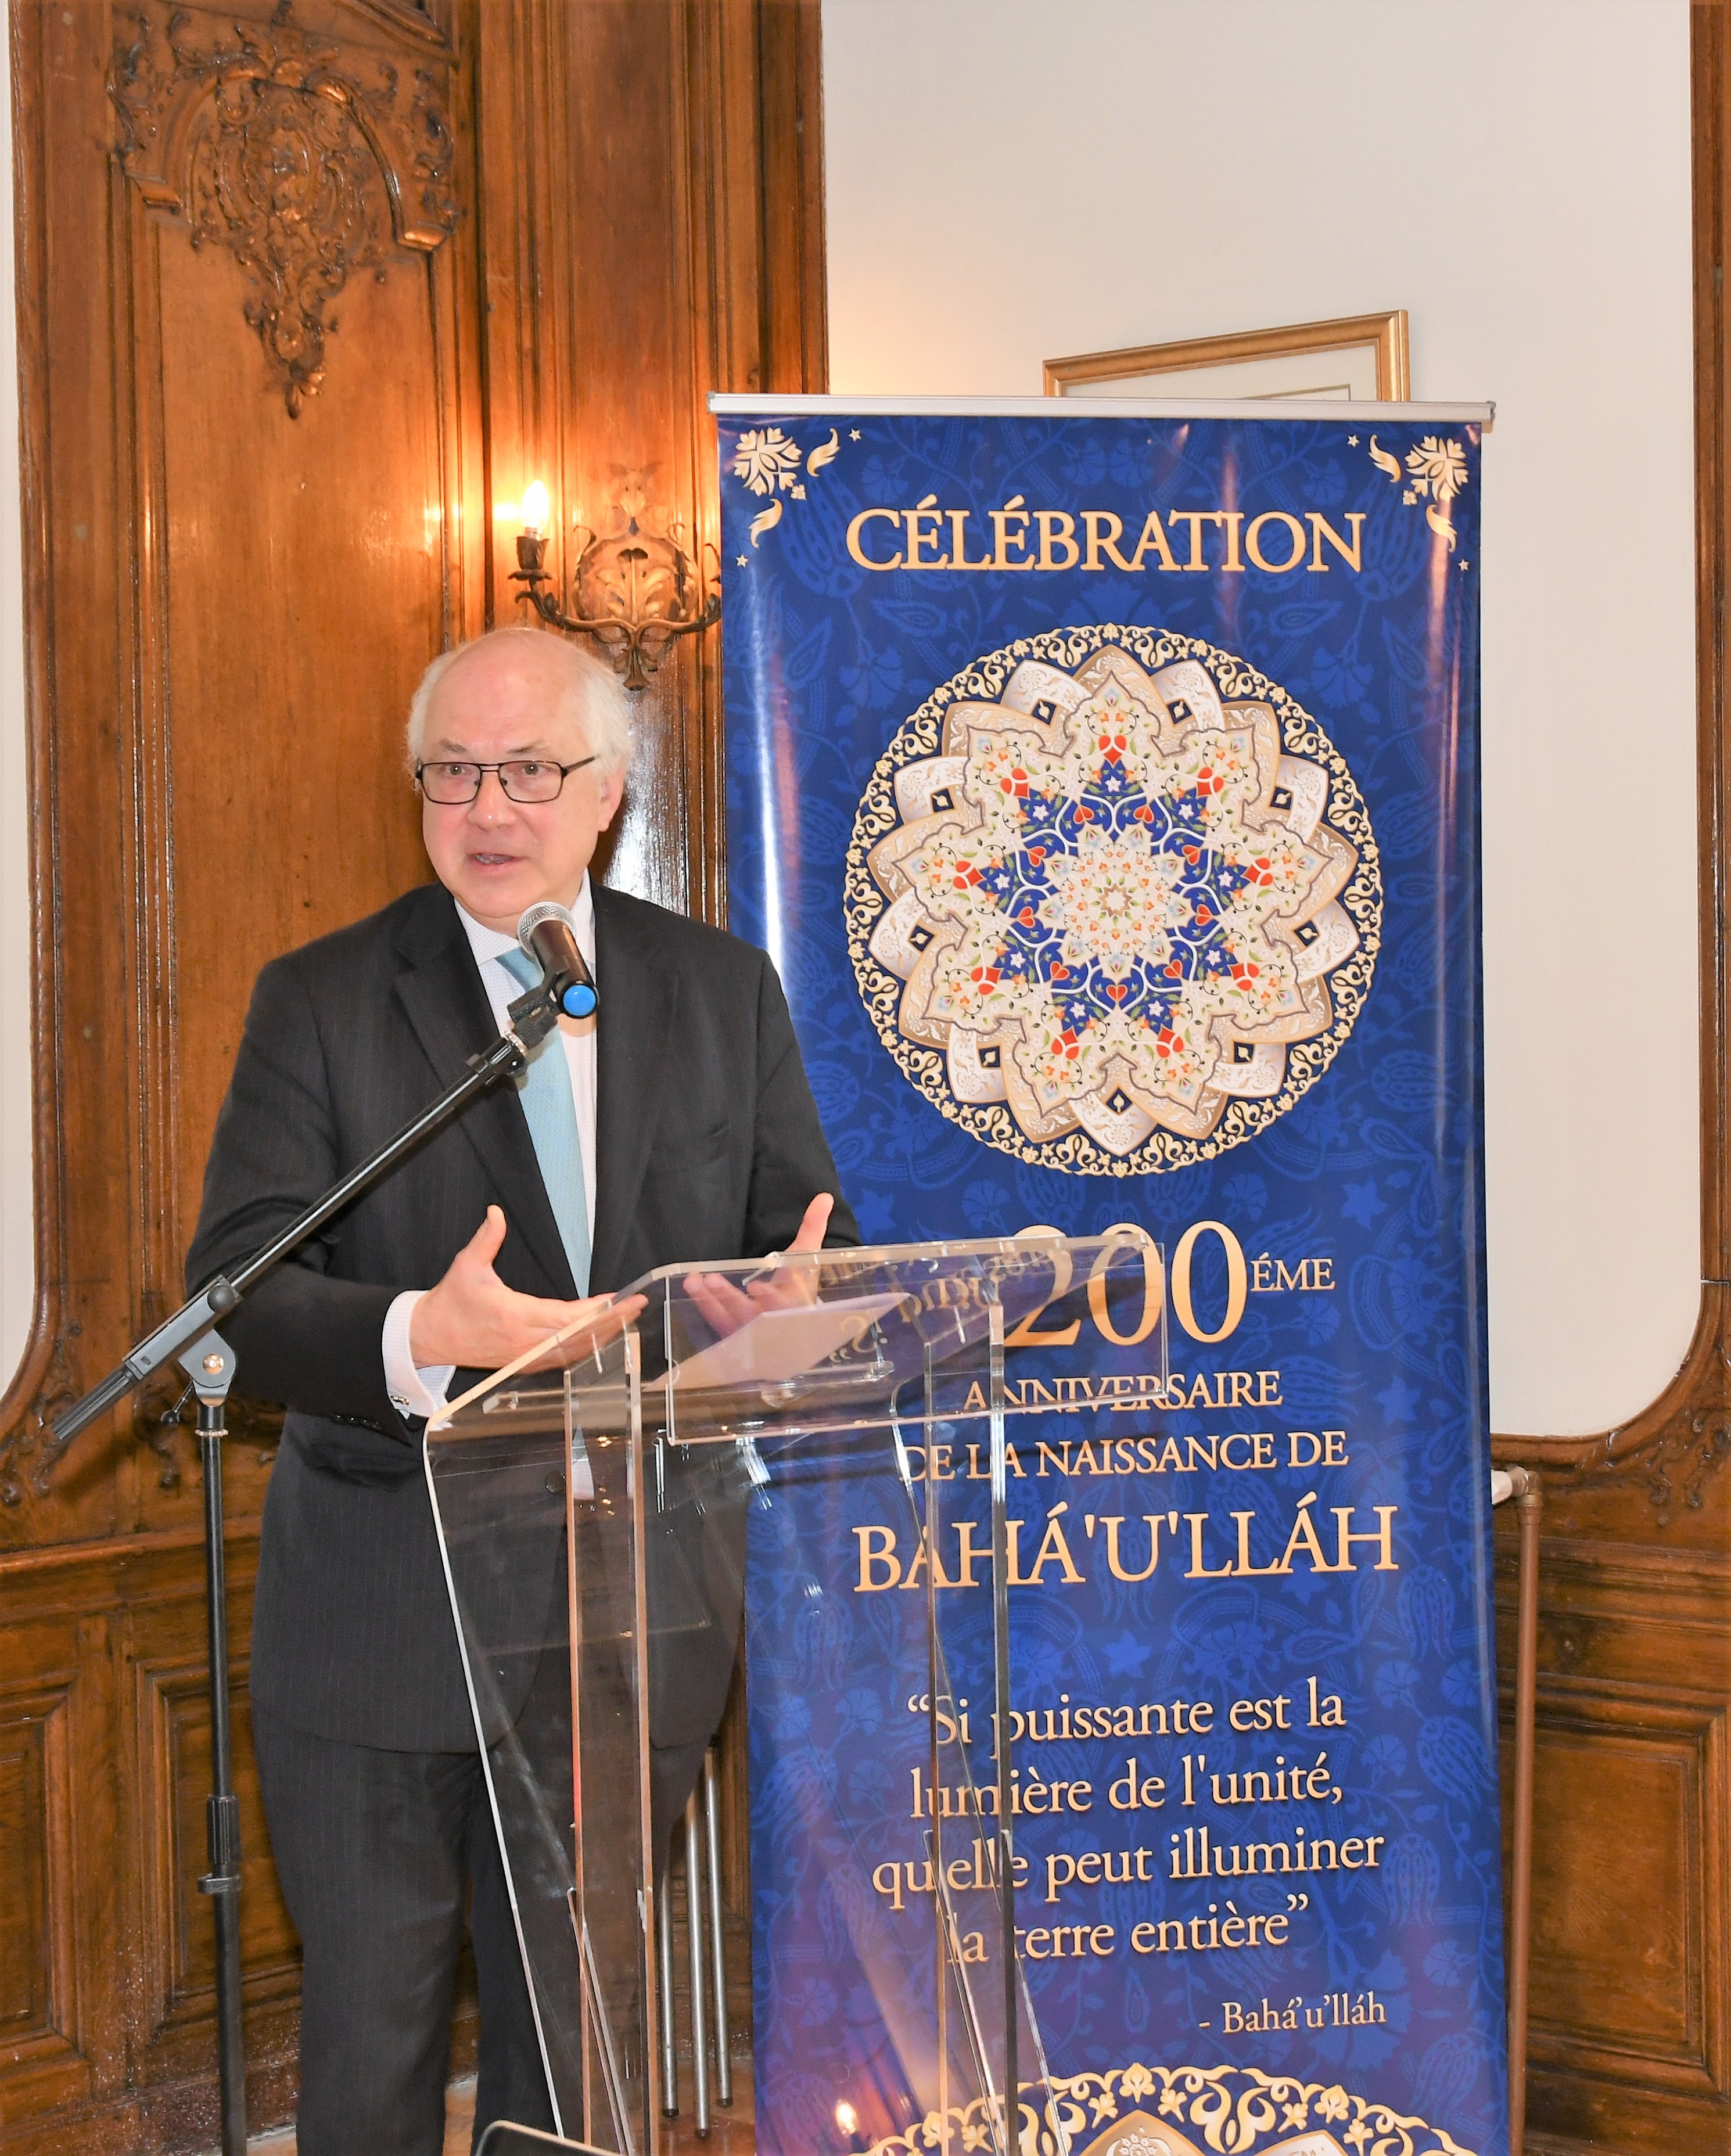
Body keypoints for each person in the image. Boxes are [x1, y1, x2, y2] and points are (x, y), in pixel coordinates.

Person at [185, 627, 857, 2154]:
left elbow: (803, 1242)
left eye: (529, 773)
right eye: (452, 774)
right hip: (384, 1613)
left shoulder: (719, 989)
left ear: (608, 793)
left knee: (576, 2059)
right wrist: (423, 1330)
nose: (488, 809)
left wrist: (790, 1311)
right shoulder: (326, 999)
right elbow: (237, 1297)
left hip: (632, 1614)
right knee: (374, 2051)